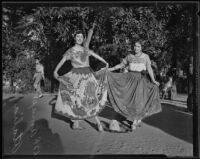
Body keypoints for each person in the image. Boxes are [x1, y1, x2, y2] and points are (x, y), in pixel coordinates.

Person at [53, 25, 109, 131]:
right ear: (74, 38)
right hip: (75, 76)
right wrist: (56, 71)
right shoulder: (70, 51)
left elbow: (95, 55)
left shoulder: (85, 49)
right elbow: (63, 61)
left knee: (91, 97)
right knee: (78, 98)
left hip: (88, 75)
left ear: (83, 39)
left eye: (81, 37)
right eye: (77, 36)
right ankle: (77, 123)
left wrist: (105, 61)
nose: (79, 38)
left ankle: (96, 123)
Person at [108, 40, 162, 130]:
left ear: (141, 47)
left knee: (138, 101)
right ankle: (131, 117)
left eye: (138, 46)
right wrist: (110, 69)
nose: (136, 48)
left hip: (140, 81)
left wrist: (153, 80)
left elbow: (149, 68)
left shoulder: (145, 57)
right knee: (128, 99)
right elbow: (121, 65)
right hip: (129, 79)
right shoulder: (129, 56)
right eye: (135, 46)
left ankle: (135, 121)